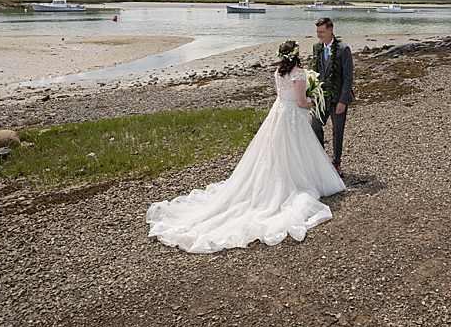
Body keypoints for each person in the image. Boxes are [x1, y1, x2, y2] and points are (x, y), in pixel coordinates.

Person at [146, 39, 345, 254]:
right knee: (295, 149)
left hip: (279, 114)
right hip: (292, 116)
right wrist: (313, 101)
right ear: (296, 54)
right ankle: (296, 181)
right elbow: (300, 101)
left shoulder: (278, 72)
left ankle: (277, 179)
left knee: (276, 151)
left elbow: (279, 94)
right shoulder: (298, 73)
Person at [310, 17, 354, 177]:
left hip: (338, 98)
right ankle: (321, 160)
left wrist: (343, 100)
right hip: (321, 98)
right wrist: (312, 93)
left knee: (337, 131)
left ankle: (336, 163)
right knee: (315, 125)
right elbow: (314, 73)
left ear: (331, 30)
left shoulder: (343, 49)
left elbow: (348, 77)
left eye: (321, 32)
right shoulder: (316, 47)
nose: (319, 35)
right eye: (317, 32)